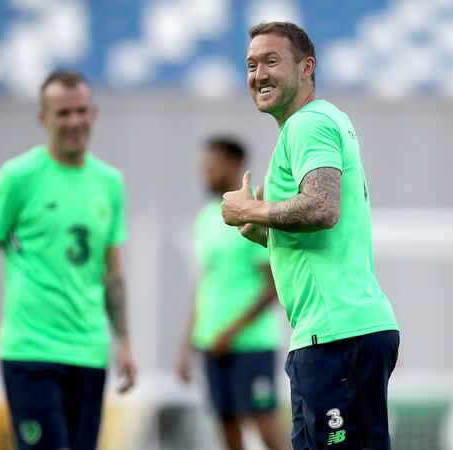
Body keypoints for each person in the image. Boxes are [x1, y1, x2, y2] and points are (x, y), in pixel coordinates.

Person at [220, 21, 400, 450]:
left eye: (271, 61)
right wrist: (264, 231)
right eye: (250, 65)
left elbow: (321, 208)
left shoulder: (307, 124)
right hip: (340, 331)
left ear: (306, 67)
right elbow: (322, 228)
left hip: (337, 334)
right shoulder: (323, 121)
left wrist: (251, 208)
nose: (258, 74)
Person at [0, 70, 137, 450]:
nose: (75, 122)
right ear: (43, 119)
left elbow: (112, 273)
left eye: (81, 111)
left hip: (88, 350)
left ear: (94, 112)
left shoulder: (109, 182)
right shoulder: (17, 177)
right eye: (63, 113)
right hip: (31, 351)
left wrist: (124, 342)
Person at [176, 137, 288, 450]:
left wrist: (231, 331)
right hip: (211, 343)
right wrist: (187, 345)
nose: (206, 173)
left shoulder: (253, 213)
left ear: (235, 165)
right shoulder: (206, 220)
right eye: (203, 167)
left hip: (251, 344)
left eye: (213, 166)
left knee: (264, 423)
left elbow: (273, 286)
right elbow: (205, 283)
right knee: (226, 425)